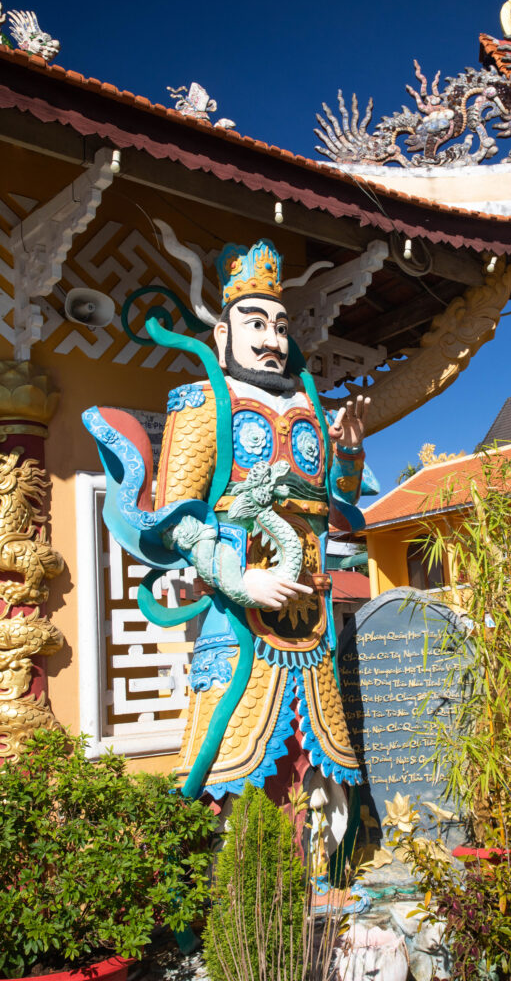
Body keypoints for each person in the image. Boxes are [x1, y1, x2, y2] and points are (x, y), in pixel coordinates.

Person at [126, 238, 369, 852]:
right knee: (228, 767)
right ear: (222, 337)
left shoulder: (309, 405)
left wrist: (350, 455)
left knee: (317, 779)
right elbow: (177, 521)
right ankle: (235, 907)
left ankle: (313, 889)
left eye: (281, 326)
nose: (271, 339)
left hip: (312, 625)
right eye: (255, 323)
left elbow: (336, 507)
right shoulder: (204, 402)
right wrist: (239, 580)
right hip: (239, 619)